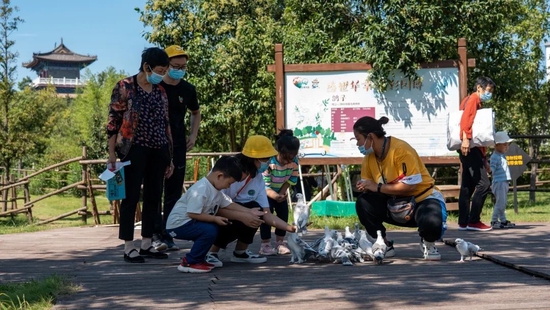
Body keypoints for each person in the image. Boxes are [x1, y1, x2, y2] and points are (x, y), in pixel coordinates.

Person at [106, 47, 174, 263]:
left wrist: (169, 156)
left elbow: (166, 123)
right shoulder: (125, 87)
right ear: (147, 67)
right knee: (131, 196)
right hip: (133, 148)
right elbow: (113, 121)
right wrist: (111, 155)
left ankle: (147, 243)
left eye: (164, 71)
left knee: (154, 196)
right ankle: (128, 246)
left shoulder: (160, 91)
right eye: (160, 70)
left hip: (159, 148)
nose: (162, 74)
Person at [353, 116, 447, 261]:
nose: (358, 144)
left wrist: (376, 187)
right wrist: (365, 187)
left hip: (421, 200)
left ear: (370, 137)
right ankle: (383, 243)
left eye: (358, 139)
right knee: (363, 202)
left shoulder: (401, 149)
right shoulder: (369, 158)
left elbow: (410, 186)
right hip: (394, 204)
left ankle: (428, 242)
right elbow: (370, 185)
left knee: (432, 222)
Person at [204, 135, 297, 267]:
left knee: (256, 210)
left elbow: (266, 213)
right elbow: (214, 207)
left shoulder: (257, 177)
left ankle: (240, 252)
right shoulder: (227, 170)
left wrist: (290, 228)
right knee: (249, 213)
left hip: (235, 210)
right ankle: (211, 252)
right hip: (209, 213)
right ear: (253, 159)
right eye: (265, 158)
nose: (268, 162)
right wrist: (244, 215)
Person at [152, 45, 201, 251]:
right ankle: (154, 234)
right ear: (166, 66)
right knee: (155, 190)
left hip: (179, 146)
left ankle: (168, 234)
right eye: (175, 66)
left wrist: (193, 134)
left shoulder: (188, 89)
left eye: (183, 67)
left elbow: (195, 112)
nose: (179, 70)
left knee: (173, 192)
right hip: (156, 144)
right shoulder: (155, 86)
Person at [166, 156, 243, 273]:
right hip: (177, 225)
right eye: (229, 183)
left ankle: (199, 258)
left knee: (211, 229)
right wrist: (215, 219)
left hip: (188, 222)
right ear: (220, 176)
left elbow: (229, 204)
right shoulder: (201, 189)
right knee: (209, 230)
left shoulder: (215, 189)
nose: (228, 187)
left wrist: (249, 212)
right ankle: (190, 261)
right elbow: (192, 213)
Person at [458, 77, 496, 231]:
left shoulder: (469, 100)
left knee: (467, 185)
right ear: (479, 88)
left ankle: (463, 222)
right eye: (488, 91)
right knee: (484, 184)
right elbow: (466, 119)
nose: (489, 94)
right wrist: (465, 139)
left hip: (471, 148)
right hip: (470, 146)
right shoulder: (473, 99)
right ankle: (474, 221)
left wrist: (484, 159)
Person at [259, 129, 300, 256]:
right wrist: (275, 196)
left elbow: (291, 180)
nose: (287, 162)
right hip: (265, 193)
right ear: (278, 151)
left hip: (280, 191)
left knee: (283, 213)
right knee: (266, 215)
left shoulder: (294, 162)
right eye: (284, 158)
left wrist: (281, 194)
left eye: (291, 159)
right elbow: (264, 186)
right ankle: (265, 244)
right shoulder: (269, 162)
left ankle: (280, 243)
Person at [489, 131, 516, 229]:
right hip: (499, 182)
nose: (507, 147)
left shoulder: (503, 156)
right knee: (500, 203)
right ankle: (494, 220)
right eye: (504, 144)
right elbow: (492, 168)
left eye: (507, 144)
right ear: (497, 145)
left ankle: (503, 220)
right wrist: (490, 170)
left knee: (502, 202)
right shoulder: (495, 157)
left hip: (504, 181)